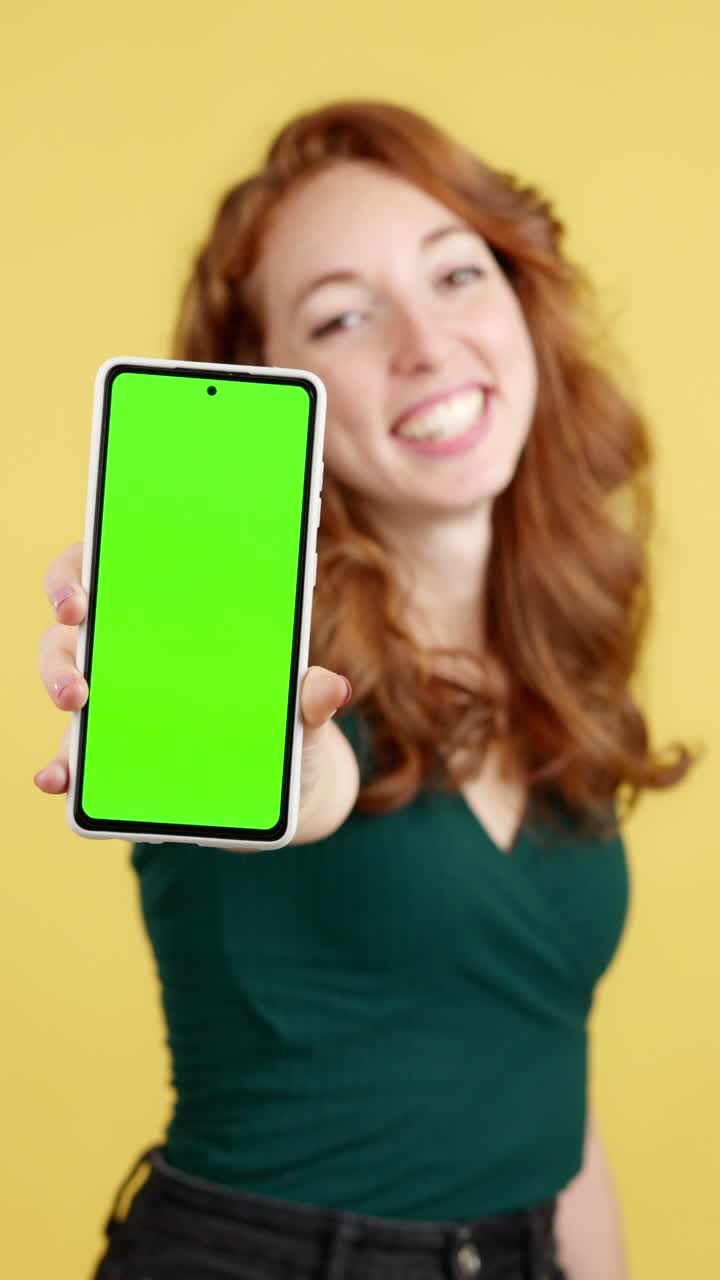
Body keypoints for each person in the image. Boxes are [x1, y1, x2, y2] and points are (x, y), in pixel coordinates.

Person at [36, 100, 695, 1280]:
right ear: (272, 386)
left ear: (522, 301)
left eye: (456, 274)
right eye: (344, 314)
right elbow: (313, 778)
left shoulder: (556, 667)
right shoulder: (263, 664)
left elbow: (549, 1085)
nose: (426, 345)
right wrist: (275, 771)